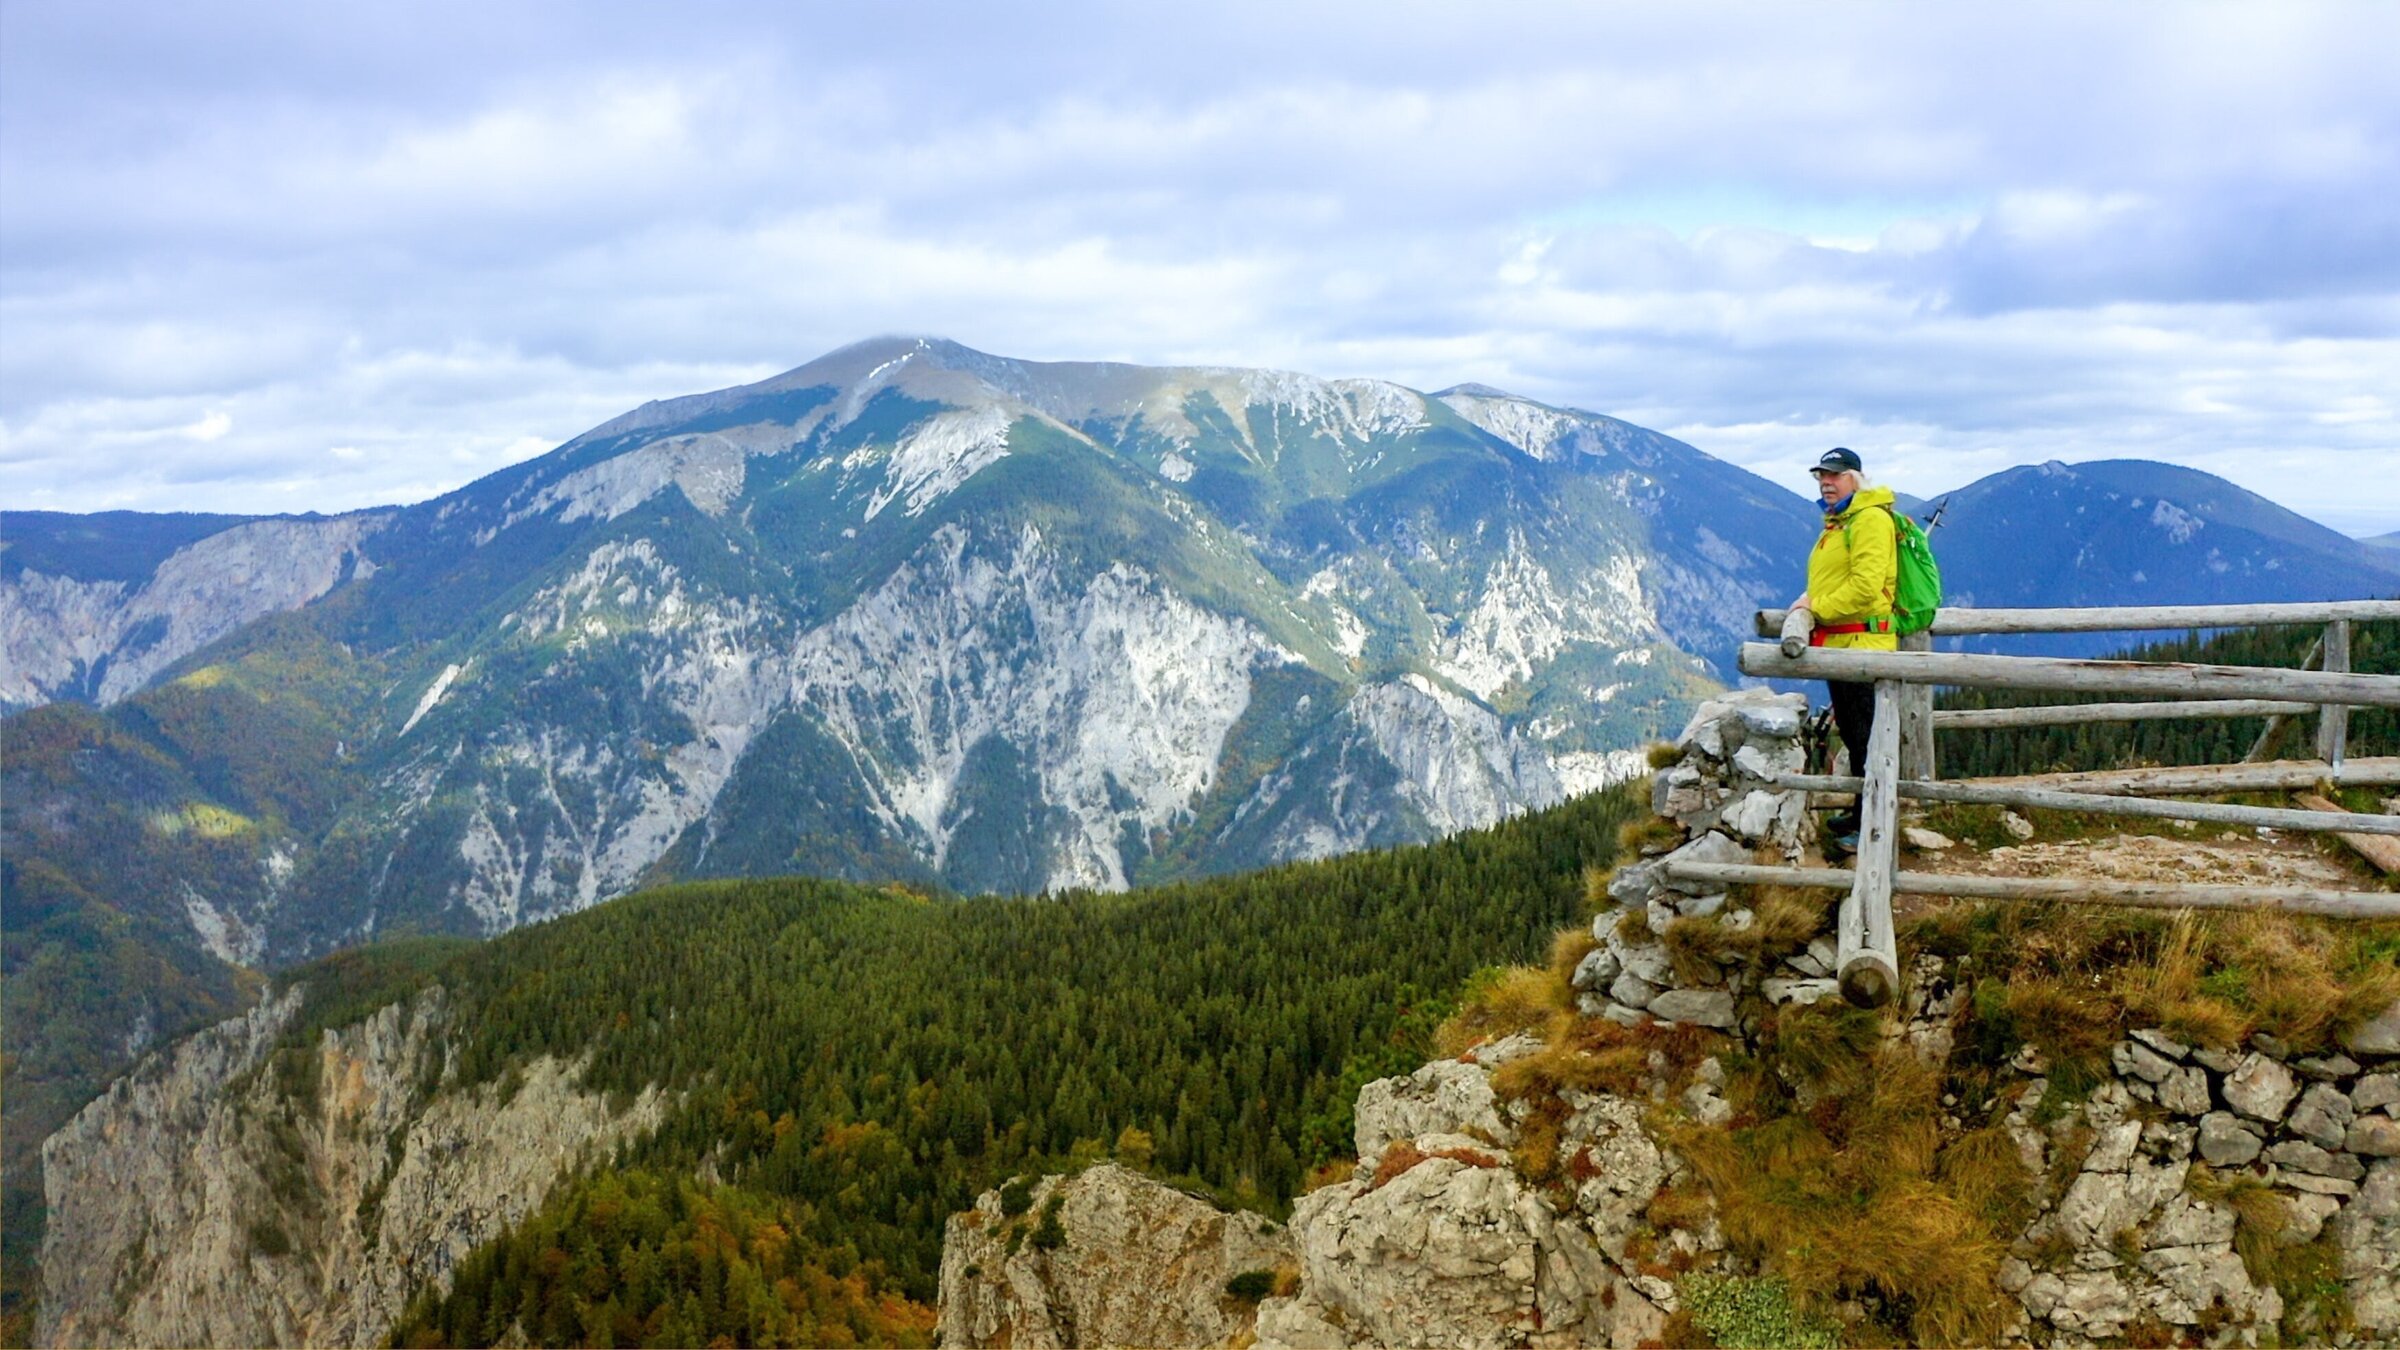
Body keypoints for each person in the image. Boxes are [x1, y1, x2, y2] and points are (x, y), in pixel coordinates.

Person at [1791, 447, 1898, 850]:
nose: (1826, 483)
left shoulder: (1869, 520)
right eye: (1821, 476)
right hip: (1843, 644)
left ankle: (1872, 825)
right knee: (1856, 738)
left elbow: (1866, 588)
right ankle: (1860, 811)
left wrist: (1814, 607)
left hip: (1863, 646)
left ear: (1856, 478)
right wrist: (1811, 598)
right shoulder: (1841, 522)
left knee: (1868, 738)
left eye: (1834, 476)